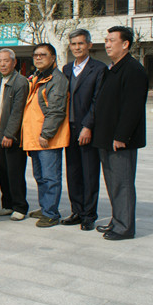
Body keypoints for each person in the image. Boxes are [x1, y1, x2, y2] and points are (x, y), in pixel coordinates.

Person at [93, 26, 147, 241]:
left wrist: (121, 136)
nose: (107, 44)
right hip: (106, 137)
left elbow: (133, 107)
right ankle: (117, 221)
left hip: (120, 140)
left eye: (111, 40)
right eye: (106, 40)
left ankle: (125, 227)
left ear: (125, 44)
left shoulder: (133, 70)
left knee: (122, 183)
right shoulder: (113, 68)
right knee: (113, 183)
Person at [60, 29, 107, 231]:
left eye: (81, 43)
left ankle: (89, 215)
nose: (77, 47)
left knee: (89, 173)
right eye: (73, 44)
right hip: (68, 128)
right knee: (73, 172)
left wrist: (88, 126)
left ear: (89, 45)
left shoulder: (99, 68)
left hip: (87, 129)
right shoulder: (66, 69)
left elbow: (98, 101)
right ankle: (77, 211)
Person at [23, 43, 70, 228]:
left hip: (47, 138)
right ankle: (45, 208)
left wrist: (47, 134)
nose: (38, 57)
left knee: (51, 178)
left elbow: (56, 110)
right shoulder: (38, 77)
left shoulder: (57, 79)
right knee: (40, 177)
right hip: (35, 137)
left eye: (43, 54)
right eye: (35, 55)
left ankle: (51, 213)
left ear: (53, 57)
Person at [0, 48, 30, 221]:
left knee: (15, 172)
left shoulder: (20, 82)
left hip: (11, 134)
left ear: (14, 62)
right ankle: (7, 205)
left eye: (6, 61)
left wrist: (9, 134)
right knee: (3, 171)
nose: (2, 64)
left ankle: (20, 206)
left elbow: (18, 111)